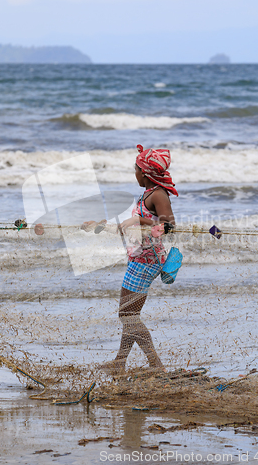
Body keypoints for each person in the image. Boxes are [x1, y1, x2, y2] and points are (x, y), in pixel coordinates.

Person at [100, 144, 178, 375]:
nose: (134, 174)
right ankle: (120, 363)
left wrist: (137, 222)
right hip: (140, 258)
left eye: (135, 170)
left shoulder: (158, 195)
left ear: (144, 173)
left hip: (147, 261)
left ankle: (156, 366)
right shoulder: (148, 193)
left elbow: (169, 226)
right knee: (129, 315)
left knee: (128, 314)